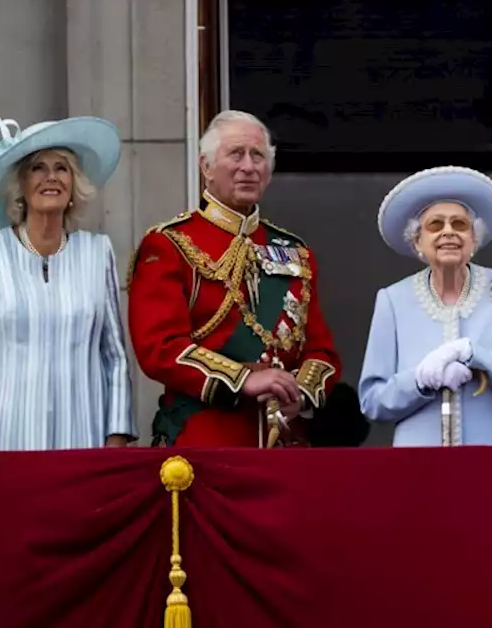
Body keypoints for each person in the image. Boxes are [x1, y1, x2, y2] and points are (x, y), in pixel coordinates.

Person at [126, 110, 342, 447]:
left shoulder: (295, 252)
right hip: (204, 441)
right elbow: (160, 348)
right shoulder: (170, 244)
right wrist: (243, 379)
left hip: (284, 444)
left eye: (258, 156)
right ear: (206, 166)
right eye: (236, 154)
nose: (248, 166)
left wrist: (300, 392)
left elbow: (321, 352)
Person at [0, 117, 136, 451]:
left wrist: (117, 434)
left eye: (62, 168)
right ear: (20, 185)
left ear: (73, 186)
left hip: (82, 435)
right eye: (38, 167)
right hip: (3, 436)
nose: (51, 177)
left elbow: (114, 355)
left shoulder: (97, 252)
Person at [359, 166, 492, 446]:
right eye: (435, 225)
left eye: (460, 224)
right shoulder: (393, 300)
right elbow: (373, 402)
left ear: (474, 239)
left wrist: (474, 354)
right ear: (417, 241)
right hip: (419, 466)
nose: (448, 232)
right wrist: (420, 380)